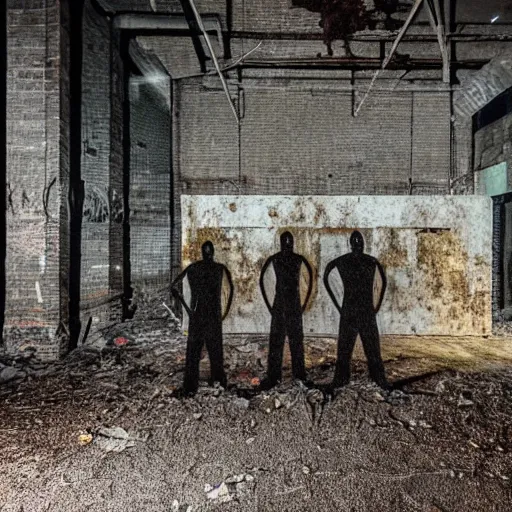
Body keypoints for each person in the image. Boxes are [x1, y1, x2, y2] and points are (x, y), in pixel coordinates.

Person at [323, 230, 389, 389]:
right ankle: (376, 379)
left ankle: (344, 379)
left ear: (351, 244)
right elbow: (384, 282)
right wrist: (376, 306)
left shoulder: (344, 260)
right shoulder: (371, 261)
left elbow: (326, 274)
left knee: (351, 350)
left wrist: (338, 305)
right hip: (364, 310)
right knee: (365, 349)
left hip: (351, 309)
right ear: (359, 244)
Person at [171, 241, 234, 395]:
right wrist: (224, 312)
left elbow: (174, 286)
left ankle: (191, 387)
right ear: (212, 252)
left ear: (203, 252)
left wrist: (188, 309)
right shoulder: (219, 268)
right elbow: (231, 289)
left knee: (194, 352)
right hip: (212, 315)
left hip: (198, 315)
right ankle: (218, 382)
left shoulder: (194, 267)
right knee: (215, 351)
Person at [259, 231, 313, 390]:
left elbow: (309, 279)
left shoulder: (298, 259)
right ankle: (273, 377)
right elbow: (262, 280)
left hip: (292, 304)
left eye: (289, 242)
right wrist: (270, 306)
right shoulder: (275, 259)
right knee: (276, 342)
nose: (288, 245)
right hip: (281, 304)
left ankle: (300, 376)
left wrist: (304, 304)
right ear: (281, 243)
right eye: (285, 242)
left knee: (296, 342)